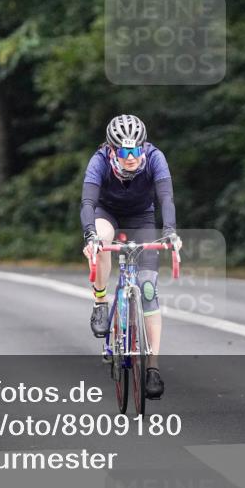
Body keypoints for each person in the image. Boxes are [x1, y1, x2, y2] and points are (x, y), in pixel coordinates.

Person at [80, 114, 181, 400]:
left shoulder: (155, 157)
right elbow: (88, 202)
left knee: (148, 288)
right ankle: (101, 302)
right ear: (113, 150)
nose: (131, 157)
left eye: (135, 150)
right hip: (107, 213)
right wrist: (90, 236)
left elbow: (166, 199)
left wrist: (171, 233)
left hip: (141, 218)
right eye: (124, 152)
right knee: (101, 242)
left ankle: (153, 367)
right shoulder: (99, 160)